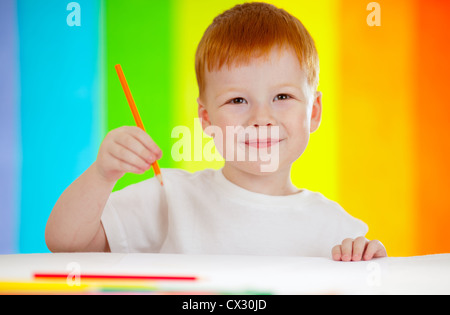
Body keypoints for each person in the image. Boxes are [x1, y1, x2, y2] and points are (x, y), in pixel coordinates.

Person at [46, 2, 387, 261]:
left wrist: (371, 265)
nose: (261, 117)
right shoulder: (171, 198)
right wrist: (103, 174)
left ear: (313, 112)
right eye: (238, 100)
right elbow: (65, 244)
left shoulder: (337, 230)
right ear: (206, 118)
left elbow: (374, 281)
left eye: (282, 96)